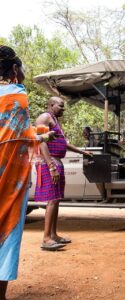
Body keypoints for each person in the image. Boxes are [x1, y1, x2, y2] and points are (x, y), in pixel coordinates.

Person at [0, 45, 54, 300]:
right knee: (7, 231)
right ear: (13, 69)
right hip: (10, 176)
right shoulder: (17, 95)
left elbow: (15, 132)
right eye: (21, 68)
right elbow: (20, 136)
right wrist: (42, 133)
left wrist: (42, 133)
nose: (23, 73)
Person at [34, 96, 92, 251]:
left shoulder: (54, 120)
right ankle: (46, 239)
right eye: (60, 106)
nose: (63, 109)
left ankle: (53, 235)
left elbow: (64, 144)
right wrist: (51, 166)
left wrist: (82, 151)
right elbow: (41, 142)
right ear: (51, 105)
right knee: (52, 200)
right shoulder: (44, 117)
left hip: (57, 161)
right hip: (49, 162)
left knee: (57, 199)